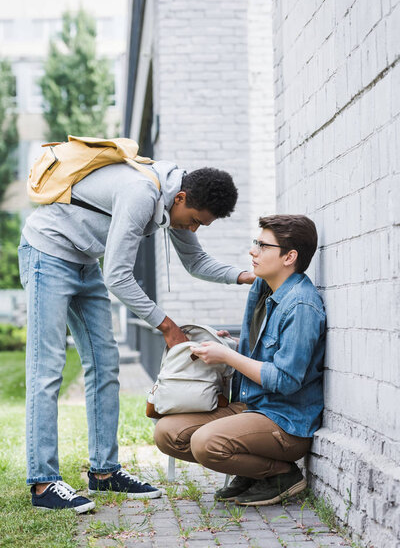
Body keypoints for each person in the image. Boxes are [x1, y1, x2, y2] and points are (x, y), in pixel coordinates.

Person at [18, 159, 255, 512]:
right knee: (47, 368)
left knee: (105, 364)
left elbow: (195, 263)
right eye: (194, 220)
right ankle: (43, 483)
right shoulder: (141, 193)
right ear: (182, 198)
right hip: (48, 254)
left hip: (84, 262)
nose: (193, 229)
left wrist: (247, 276)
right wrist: (167, 326)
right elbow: (118, 276)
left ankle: (104, 472)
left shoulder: (175, 200)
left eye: (201, 225)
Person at [154, 214, 326, 506]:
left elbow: (285, 380)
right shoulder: (262, 288)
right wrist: (226, 345)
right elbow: (261, 352)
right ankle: (254, 473)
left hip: (284, 421)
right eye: (254, 242)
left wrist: (228, 356)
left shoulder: (301, 305)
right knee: (167, 434)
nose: (253, 251)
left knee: (206, 443)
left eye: (262, 245)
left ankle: (281, 475)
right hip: (249, 407)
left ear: (290, 256)